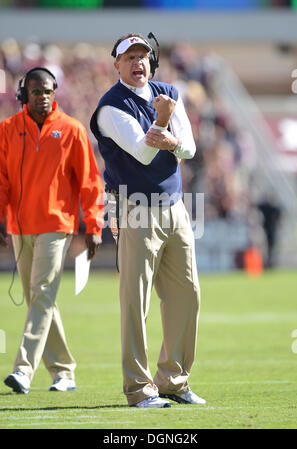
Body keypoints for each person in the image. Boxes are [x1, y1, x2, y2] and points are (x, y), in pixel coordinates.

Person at [90, 33, 205, 408]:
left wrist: (168, 133)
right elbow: (141, 153)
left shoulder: (168, 90)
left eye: (143, 56)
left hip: (175, 206)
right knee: (135, 302)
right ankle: (139, 389)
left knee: (187, 296)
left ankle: (173, 380)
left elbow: (188, 147)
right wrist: (164, 120)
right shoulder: (110, 107)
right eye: (130, 57)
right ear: (117, 65)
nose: (138, 63)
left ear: (151, 61)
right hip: (134, 207)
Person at [0, 67, 104, 394]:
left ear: (54, 92)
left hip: (57, 226)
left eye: (48, 91)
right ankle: (64, 371)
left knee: (42, 293)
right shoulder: (6, 130)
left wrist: (94, 225)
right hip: (20, 226)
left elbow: (90, 182)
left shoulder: (72, 130)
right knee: (38, 299)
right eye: (36, 92)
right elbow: (1, 179)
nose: (43, 97)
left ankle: (24, 370)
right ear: (23, 95)